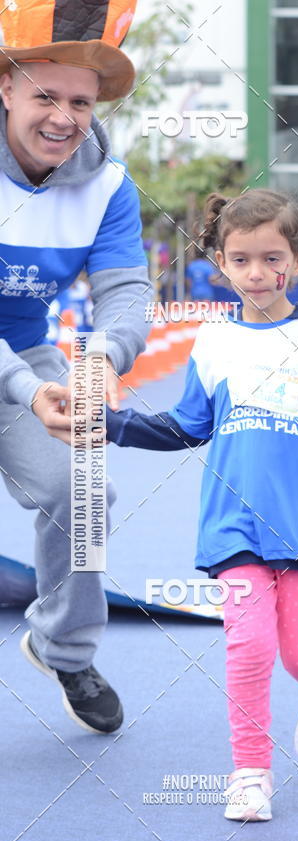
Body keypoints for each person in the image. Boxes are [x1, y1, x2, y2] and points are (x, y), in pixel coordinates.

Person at [104, 189, 298, 820]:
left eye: (272, 257)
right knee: (248, 647)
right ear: (221, 263)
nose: (257, 273)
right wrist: (114, 424)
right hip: (233, 526)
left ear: (296, 260)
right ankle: (249, 773)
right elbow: (187, 426)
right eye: (240, 260)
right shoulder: (212, 343)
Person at [0, 1, 151, 732]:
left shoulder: (108, 185)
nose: (63, 117)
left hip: (24, 357)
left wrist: (98, 362)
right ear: (6, 89)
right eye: (45, 97)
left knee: (85, 483)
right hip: (19, 378)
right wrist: (29, 392)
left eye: (80, 102)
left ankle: (63, 647)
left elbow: (124, 291)